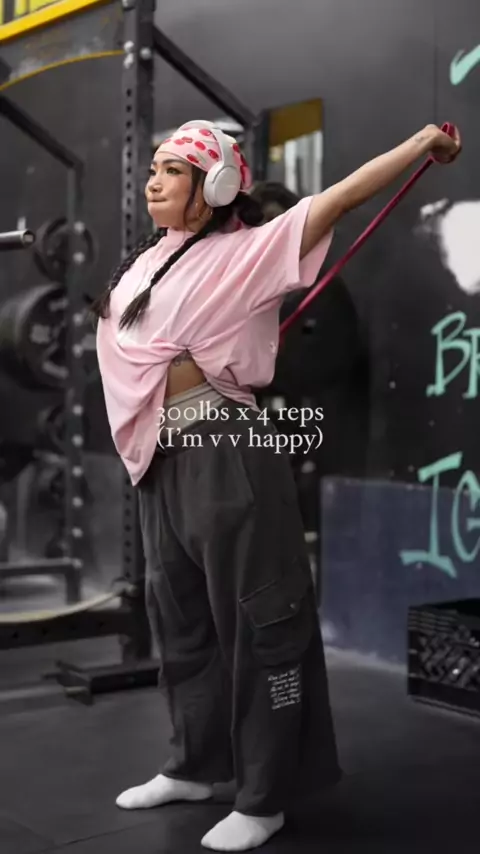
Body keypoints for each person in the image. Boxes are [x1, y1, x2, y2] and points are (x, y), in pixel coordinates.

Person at [92, 119, 461, 852]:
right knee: (182, 622)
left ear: (217, 187)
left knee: (263, 625)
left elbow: (341, 197)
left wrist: (421, 143)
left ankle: (266, 794)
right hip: (157, 460)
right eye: (154, 168)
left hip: (224, 452)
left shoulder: (250, 252)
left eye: (172, 170)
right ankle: (196, 765)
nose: (153, 181)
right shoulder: (149, 259)